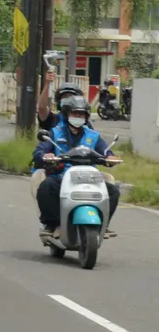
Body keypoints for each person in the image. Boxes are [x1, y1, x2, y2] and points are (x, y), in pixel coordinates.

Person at [33, 95, 120, 239]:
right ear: (67, 114)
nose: (78, 117)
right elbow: (40, 150)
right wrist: (45, 155)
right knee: (46, 186)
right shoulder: (55, 133)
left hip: (89, 178)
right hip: (62, 177)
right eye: (75, 114)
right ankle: (51, 225)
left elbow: (106, 152)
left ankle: (104, 225)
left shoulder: (93, 135)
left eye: (82, 114)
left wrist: (110, 157)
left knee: (113, 191)